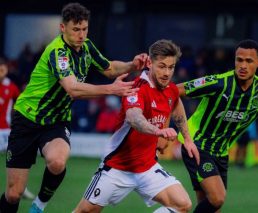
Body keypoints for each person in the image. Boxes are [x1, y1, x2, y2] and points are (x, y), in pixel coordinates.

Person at [0, 3, 148, 213]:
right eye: (75, 30)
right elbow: (72, 89)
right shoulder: (57, 52)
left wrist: (132, 65)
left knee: (58, 162)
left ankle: (38, 206)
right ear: (63, 28)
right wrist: (111, 90)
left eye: (84, 29)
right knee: (14, 194)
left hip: (57, 120)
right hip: (27, 119)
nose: (81, 34)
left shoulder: (86, 46)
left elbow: (109, 68)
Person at [74, 39, 200, 213]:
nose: (167, 73)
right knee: (84, 211)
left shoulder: (170, 88)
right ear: (150, 63)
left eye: (171, 67)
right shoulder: (136, 88)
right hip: (117, 166)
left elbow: (176, 104)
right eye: (162, 66)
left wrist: (187, 139)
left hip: (147, 167)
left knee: (182, 204)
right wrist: (159, 131)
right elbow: (134, 118)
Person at [176, 39, 258, 212]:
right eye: (239, 60)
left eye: (249, 61)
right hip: (197, 145)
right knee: (218, 198)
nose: (243, 65)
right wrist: (164, 125)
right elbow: (174, 91)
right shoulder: (219, 82)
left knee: (212, 206)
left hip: (221, 153)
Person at [0, 57, 35, 200]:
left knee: (18, 158)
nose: (1, 73)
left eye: (3, 70)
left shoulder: (11, 87)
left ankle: (21, 188)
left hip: (7, 131)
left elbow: (20, 103)